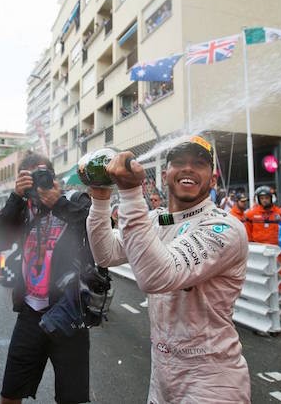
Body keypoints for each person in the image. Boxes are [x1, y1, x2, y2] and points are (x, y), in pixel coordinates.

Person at [86, 135, 250, 403]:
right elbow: (105, 254)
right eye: (179, 162)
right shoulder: (156, 219)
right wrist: (101, 198)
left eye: (199, 163)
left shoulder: (225, 227)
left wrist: (130, 193)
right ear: (165, 175)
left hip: (212, 381)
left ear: (212, 180)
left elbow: (156, 277)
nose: (188, 168)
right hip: (161, 376)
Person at [0, 152, 94, 404]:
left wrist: (57, 203)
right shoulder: (22, 209)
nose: (38, 180)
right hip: (30, 314)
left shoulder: (75, 200)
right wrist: (15, 197)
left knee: (73, 399)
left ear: (53, 175)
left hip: (69, 314)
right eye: (30, 175)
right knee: (10, 394)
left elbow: (94, 229)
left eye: (42, 173)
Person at [245, 185, 281, 301]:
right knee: (262, 274)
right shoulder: (251, 214)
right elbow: (248, 232)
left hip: (278, 249)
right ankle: (263, 293)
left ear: (272, 198)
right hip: (260, 250)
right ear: (258, 199)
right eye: (262, 198)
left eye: (267, 198)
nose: (265, 200)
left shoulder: (280, 213)